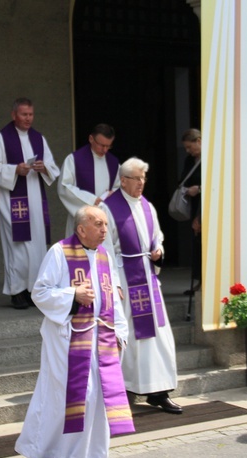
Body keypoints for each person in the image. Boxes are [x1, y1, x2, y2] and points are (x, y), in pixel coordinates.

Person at [15, 205, 134, 458]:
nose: (105, 230)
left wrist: (120, 333)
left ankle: (95, 456)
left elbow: (112, 299)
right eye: (99, 224)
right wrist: (72, 295)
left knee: (100, 396)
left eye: (106, 224)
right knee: (79, 396)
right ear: (81, 229)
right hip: (69, 340)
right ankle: (66, 456)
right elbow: (40, 292)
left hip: (102, 339)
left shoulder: (104, 255)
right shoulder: (59, 252)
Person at [102, 157, 181, 414]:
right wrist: (113, 284)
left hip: (147, 278)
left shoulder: (147, 205)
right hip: (125, 280)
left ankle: (158, 390)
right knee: (130, 338)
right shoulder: (108, 208)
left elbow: (157, 235)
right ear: (123, 180)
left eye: (144, 178)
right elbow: (104, 251)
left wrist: (158, 249)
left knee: (156, 336)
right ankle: (124, 388)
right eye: (137, 178)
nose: (142, 183)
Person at [0, 97, 60, 310]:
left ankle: (32, 290)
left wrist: (43, 167)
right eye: (24, 114)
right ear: (14, 115)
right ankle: (16, 291)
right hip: (13, 203)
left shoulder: (38, 138)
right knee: (17, 247)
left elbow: (53, 168)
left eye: (31, 114)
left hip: (35, 201)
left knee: (36, 248)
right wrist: (14, 170)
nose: (28, 118)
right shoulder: (1, 138)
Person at [57, 123, 120, 235]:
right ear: (91, 139)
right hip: (81, 221)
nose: (105, 150)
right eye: (101, 145)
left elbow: (119, 187)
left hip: (104, 220)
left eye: (108, 146)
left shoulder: (114, 163)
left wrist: (113, 194)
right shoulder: (74, 160)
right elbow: (64, 187)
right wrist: (92, 200)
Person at [181, 128, 203, 293]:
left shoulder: (211, 159)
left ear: (199, 141)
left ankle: (206, 282)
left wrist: (200, 188)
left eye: (190, 147)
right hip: (194, 204)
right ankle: (199, 281)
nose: (189, 151)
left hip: (206, 206)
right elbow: (182, 179)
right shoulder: (190, 160)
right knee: (197, 245)